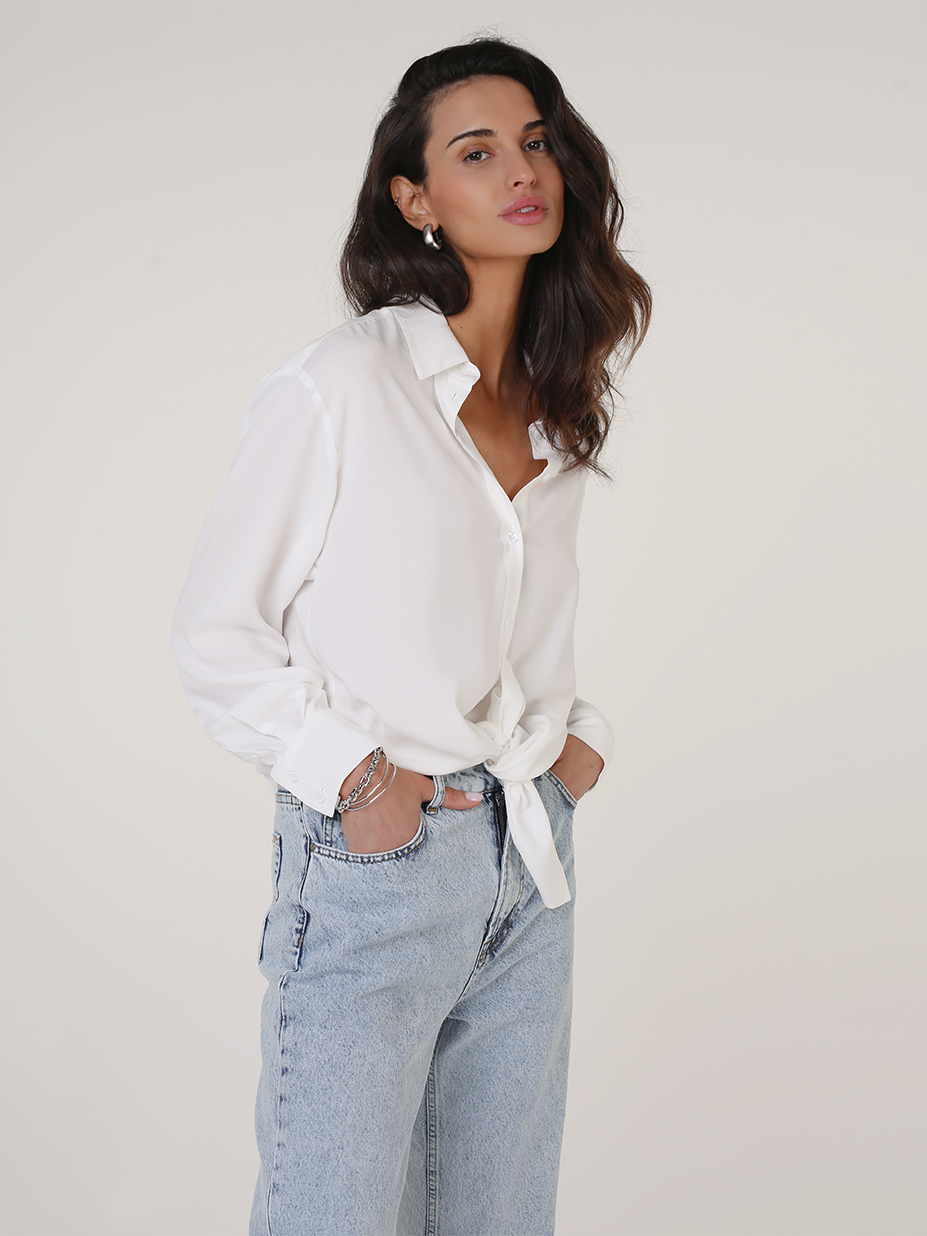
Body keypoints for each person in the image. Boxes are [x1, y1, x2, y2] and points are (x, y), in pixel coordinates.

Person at [171, 35, 650, 1236]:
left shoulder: (553, 408)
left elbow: (516, 631)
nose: (520, 171)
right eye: (475, 152)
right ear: (415, 198)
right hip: (376, 867)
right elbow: (218, 635)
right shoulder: (341, 385)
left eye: (535, 143)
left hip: (528, 864)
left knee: (499, 1217)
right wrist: (357, 782)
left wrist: (576, 740)